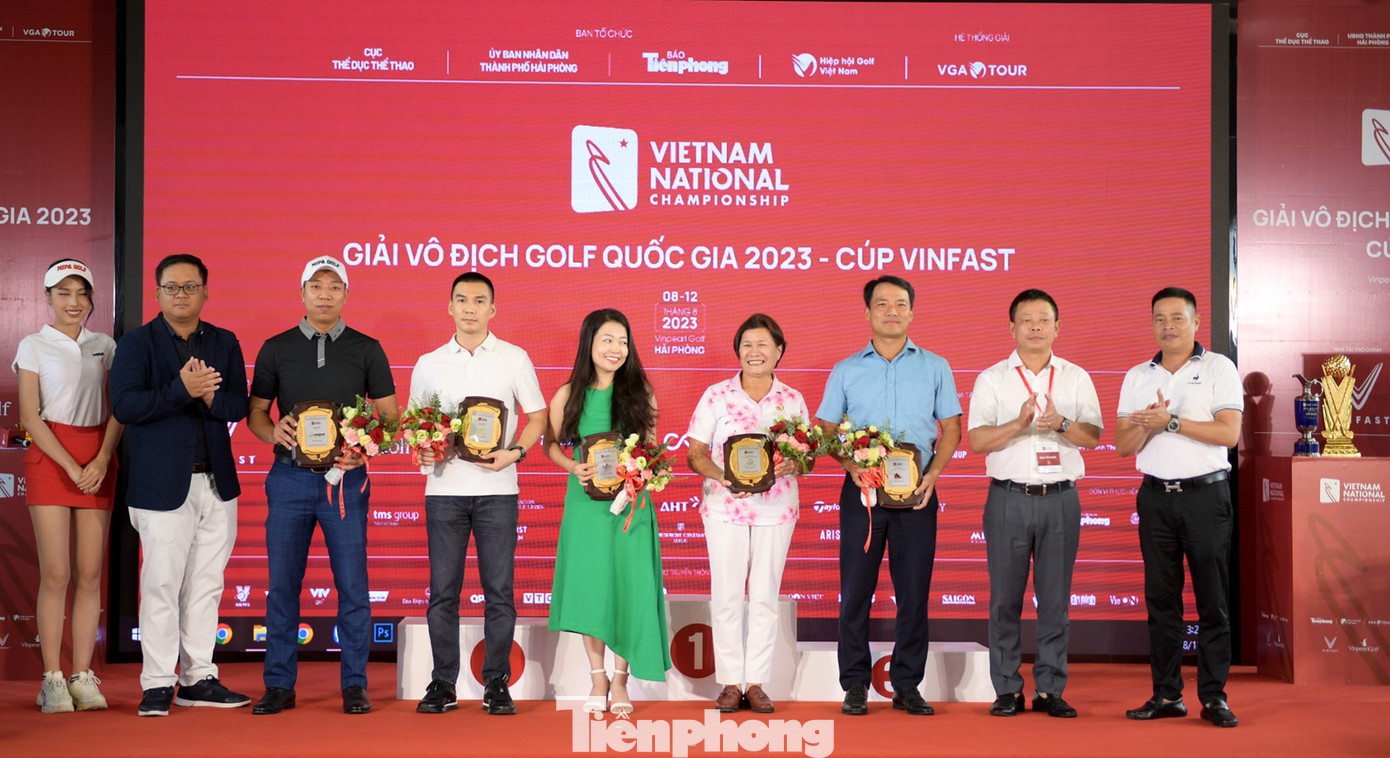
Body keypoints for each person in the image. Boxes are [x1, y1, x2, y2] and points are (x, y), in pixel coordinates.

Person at [246, 256, 398, 715]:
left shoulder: (367, 348)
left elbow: (389, 418)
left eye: (334, 286)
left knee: (352, 586)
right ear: (302, 293)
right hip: (288, 480)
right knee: (282, 586)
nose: (325, 294)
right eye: (316, 285)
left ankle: (354, 684)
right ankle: (279, 684)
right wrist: (272, 432)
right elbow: (257, 414)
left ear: (346, 294)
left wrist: (365, 451)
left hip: (345, 482)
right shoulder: (276, 348)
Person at [109, 253, 252, 716]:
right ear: (157, 294)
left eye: (191, 287)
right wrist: (180, 390)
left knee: (207, 586)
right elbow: (126, 406)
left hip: (216, 483)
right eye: (172, 287)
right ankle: (156, 683)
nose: (181, 295)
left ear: (205, 292)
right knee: (161, 585)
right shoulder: (136, 344)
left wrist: (210, 396)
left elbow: (239, 405)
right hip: (160, 487)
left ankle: (198, 678)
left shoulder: (225, 341)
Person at [816, 276, 962, 716]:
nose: (891, 311)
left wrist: (934, 475)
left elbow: (952, 429)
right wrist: (851, 466)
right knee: (855, 592)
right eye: (882, 304)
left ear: (912, 312)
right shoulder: (845, 369)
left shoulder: (936, 366)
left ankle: (907, 685)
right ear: (867, 313)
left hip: (917, 494)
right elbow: (825, 432)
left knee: (913, 594)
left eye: (900, 304)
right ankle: (855, 684)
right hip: (863, 494)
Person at [410, 272, 546, 716]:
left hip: (498, 492)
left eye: (479, 300)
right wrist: (423, 448)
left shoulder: (514, 358)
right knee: (442, 593)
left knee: (499, 592)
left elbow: (538, 417)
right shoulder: (428, 363)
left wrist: (516, 453)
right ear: (449, 306)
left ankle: (496, 683)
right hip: (444, 490)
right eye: (462, 299)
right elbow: (416, 425)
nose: (470, 308)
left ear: (493, 309)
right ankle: (442, 683)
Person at [966, 289, 1102, 719]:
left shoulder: (1076, 377)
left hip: (1060, 499)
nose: (1036, 327)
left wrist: (1061, 423)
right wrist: (1019, 423)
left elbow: (1093, 437)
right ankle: (1007, 688)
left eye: (1044, 319)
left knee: (1055, 601)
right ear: (1012, 328)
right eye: (1027, 320)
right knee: (1004, 601)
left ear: (1057, 328)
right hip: (1008, 498)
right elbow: (977, 440)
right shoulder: (992, 378)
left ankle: (1049, 688)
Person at [1116, 287, 1242, 729]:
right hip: (1155, 498)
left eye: (1177, 318)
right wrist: (1147, 427)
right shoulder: (1138, 375)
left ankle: (1214, 696)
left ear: (1196, 322)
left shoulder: (1218, 367)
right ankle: (1167, 694)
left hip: (1206, 497)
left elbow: (1228, 434)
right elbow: (1123, 445)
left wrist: (1170, 421)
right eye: (1159, 319)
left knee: (1212, 601)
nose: (1167, 326)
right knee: (1161, 601)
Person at [544, 309, 670, 715]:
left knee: (629, 589)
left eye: (623, 342)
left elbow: (652, 449)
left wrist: (642, 473)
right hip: (586, 508)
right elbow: (550, 444)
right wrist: (572, 466)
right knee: (592, 589)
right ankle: (597, 677)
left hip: (631, 507)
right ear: (590, 344)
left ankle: (620, 680)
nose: (616, 349)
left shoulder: (641, 392)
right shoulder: (568, 394)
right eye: (608, 340)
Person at [685, 314, 808, 714]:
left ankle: (755, 683)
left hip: (777, 509)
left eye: (763, 345)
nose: (755, 353)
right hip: (725, 507)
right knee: (725, 595)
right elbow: (695, 454)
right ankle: (728, 683)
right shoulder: (716, 396)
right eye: (747, 345)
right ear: (737, 351)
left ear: (779, 351)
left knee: (765, 597)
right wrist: (724, 477)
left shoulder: (792, 400)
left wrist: (794, 464)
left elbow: (806, 456)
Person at [13, 260, 121, 713]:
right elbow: (29, 415)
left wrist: (100, 458)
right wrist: (71, 466)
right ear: (48, 297)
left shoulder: (106, 345)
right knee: (56, 573)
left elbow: (120, 407)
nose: (73, 302)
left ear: (92, 298)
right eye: (63, 293)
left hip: (97, 457)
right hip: (51, 457)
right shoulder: (33, 344)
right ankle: (52, 680)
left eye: (81, 293)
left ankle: (82, 675)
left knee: (90, 573)